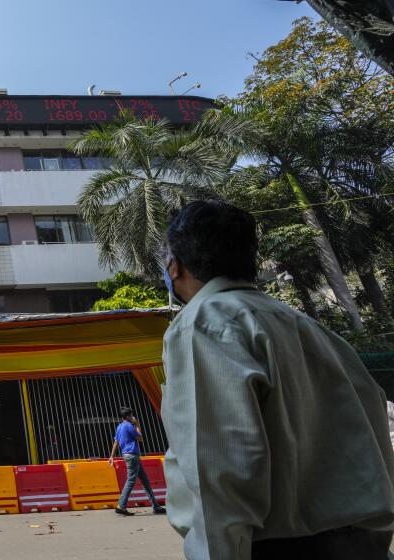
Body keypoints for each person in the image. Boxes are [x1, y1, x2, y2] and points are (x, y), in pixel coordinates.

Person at [161, 200, 394, 560]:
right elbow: (375, 435)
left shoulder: (204, 323)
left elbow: (221, 469)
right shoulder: (310, 329)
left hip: (278, 547)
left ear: (175, 266)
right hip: (358, 544)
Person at [109, 407, 165, 516]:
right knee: (131, 481)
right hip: (132, 456)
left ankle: (156, 506)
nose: (133, 416)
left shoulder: (119, 426)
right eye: (132, 415)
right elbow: (140, 438)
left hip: (129, 456)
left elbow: (115, 442)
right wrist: (137, 424)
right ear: (129, 416)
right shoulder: (129, 426)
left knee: (145, 481)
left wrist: (112, 456)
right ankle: (121, 506)